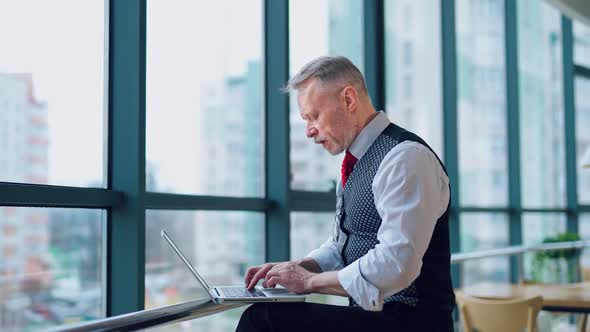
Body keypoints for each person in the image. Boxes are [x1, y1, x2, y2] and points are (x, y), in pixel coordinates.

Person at [236, 56, 455, 332]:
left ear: (348, 100)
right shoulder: (355, 164)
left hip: (412, 321)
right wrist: (298, 267)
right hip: (376, 318)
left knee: (264, 320)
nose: (309, 131)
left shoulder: (406, 158)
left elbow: (396, 263)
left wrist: (309, 282)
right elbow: (343, 246)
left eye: (314, 116)